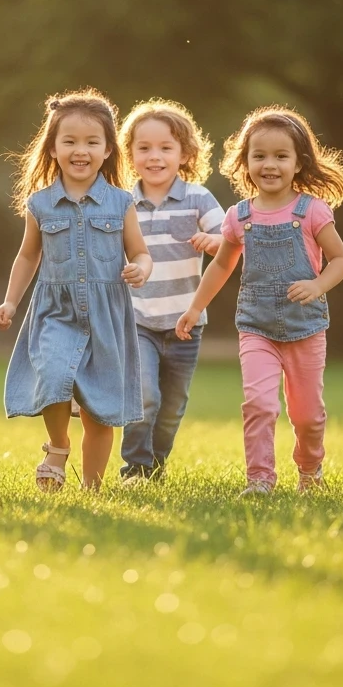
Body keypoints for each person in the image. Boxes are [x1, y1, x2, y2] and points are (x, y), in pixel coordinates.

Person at [176, 107, 343, 496]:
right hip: (256, 327)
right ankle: (259, 479)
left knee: (307, 416)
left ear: (298, 162)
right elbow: (221, 266)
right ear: (245, 161)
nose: (269, 164)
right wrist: (195, 307)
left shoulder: (312, 211)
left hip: (305, 327)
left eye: (280, 156)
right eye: (259, 156)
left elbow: (341, 261)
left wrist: (318, 285)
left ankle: (309, 469)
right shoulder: (239, 217)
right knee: (259, 404)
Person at [0, 89, 152, 491]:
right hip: (55, 310)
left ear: (107, 150)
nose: (80, 150)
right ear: (52, 148)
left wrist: (140, 268)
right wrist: (11, 301)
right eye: (69, 141)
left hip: (106, 315)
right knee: (50, 375)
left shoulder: (121, 203)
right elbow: (28, 256)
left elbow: (140, 252)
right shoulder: (40, 205)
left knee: (101, 407)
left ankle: (92, 489)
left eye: (91, 142)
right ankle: (59, 447)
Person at [117, 99, 225, 483]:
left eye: (165, 148)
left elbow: (231, 234)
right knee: (145, 398)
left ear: (185, 153)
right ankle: (135, 468)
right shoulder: (122, 202)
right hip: (137, 319)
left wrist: (213, 241)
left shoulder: (197, 198)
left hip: (185, 321)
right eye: (144, 148)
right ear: (130, 154)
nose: (155, 156)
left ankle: (156, 466)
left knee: (172, 406)